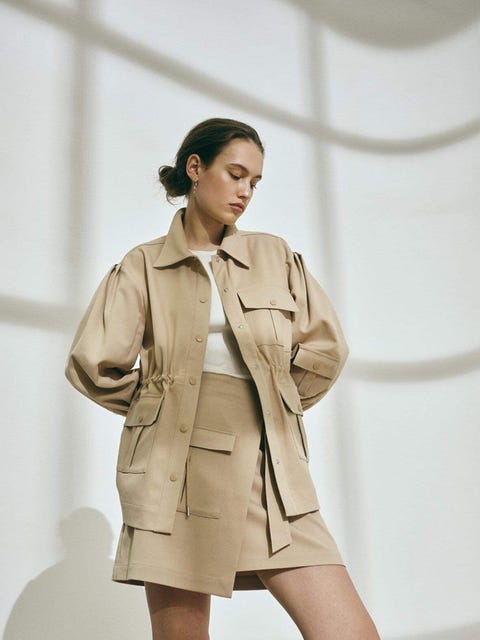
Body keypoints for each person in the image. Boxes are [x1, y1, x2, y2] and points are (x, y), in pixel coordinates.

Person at [65, 118, 380, 640]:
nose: (245, 192)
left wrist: (278, 403)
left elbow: (326, 350)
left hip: (269, 471)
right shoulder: (143, 266)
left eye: (254, 182)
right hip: (173, 471)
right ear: (195, 168)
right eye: (235, 175)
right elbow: (93, 363)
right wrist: (159, 405)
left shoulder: (274, 256)